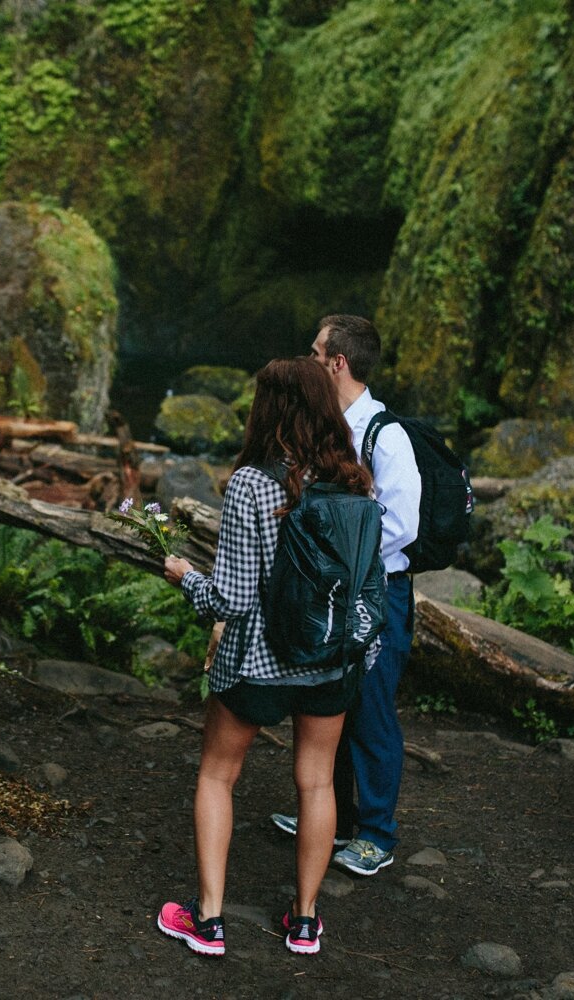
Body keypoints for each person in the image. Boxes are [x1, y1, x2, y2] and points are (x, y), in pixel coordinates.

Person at [157, 357, 373, 957]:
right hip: (330, 662)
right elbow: (363, 583)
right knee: (317, 783)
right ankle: (305, 922)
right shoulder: (355, 481)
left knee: (217, 776)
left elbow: (231, 596)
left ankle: (208, 921)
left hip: (259, 662)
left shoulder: (253, 482)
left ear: (268, 411)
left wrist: (185, 577)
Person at [268, 314, 420, 876]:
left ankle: (377, 833)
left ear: (337, 362)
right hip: (330, 588)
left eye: (314, 352)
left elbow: (403, 523)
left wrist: (339, 548)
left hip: (379, 592)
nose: (308, 360)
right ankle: (326, 816)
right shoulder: (325, 425)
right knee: (328, 696)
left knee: (372, 707)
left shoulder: (386, 434)